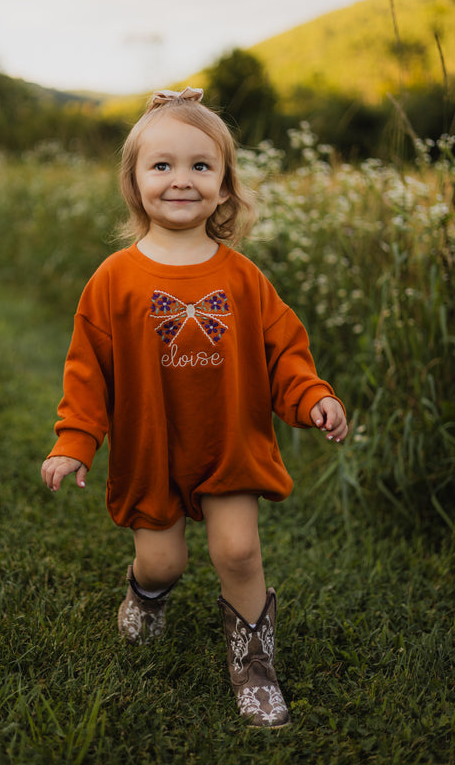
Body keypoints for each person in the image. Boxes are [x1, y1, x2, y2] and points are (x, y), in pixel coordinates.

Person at [41, 87, 348, 728]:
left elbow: (283, 352)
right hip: (151, 447)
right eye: (162, 165)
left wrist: (311, 395)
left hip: (228, 442)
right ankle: (146, 593)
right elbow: (86, 371)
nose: (181, 180)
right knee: (165, 560)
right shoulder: (113, 279)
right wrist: (74, 440)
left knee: (238, 553)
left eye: (200, 166)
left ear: (225, 185)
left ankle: (253, 663)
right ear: (134, 182)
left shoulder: (243, 278)